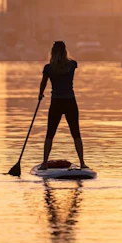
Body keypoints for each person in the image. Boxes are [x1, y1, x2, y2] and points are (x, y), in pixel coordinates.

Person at [38, 41, 88, 170]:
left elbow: (43, 83)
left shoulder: (48, 68)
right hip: (70, 102)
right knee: (75, 132)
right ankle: (82, 163)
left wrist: (40, 94)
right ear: (65, 51)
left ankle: (44, 163)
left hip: (56, 103)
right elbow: (70, 64)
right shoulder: (72, 65)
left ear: (52, 52)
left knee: (50, 133)